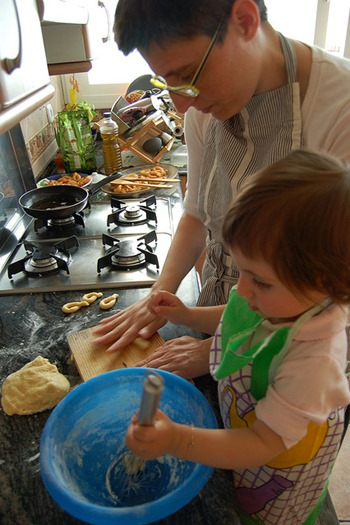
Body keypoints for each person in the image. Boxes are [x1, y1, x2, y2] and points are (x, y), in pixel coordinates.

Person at [93, 0, 350, 378]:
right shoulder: (203, 106)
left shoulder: (340, 105)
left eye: (187, 75)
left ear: (244, 21)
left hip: (297, 358)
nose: (181, 105)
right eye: (168, 83)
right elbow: (197, 212)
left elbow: (336, 290)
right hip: (221, 316)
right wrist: (157, 297)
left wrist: (216, 354)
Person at [126, 149, 350, 525]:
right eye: (241, 270)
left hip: (278, 482)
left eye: (258, 280)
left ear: (326, 284)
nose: (241, 289)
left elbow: (263, 444)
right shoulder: (281, 297)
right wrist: (185, 314)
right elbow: (238, 315)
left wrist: (177, 440)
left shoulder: (314, 362)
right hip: (241, 440)